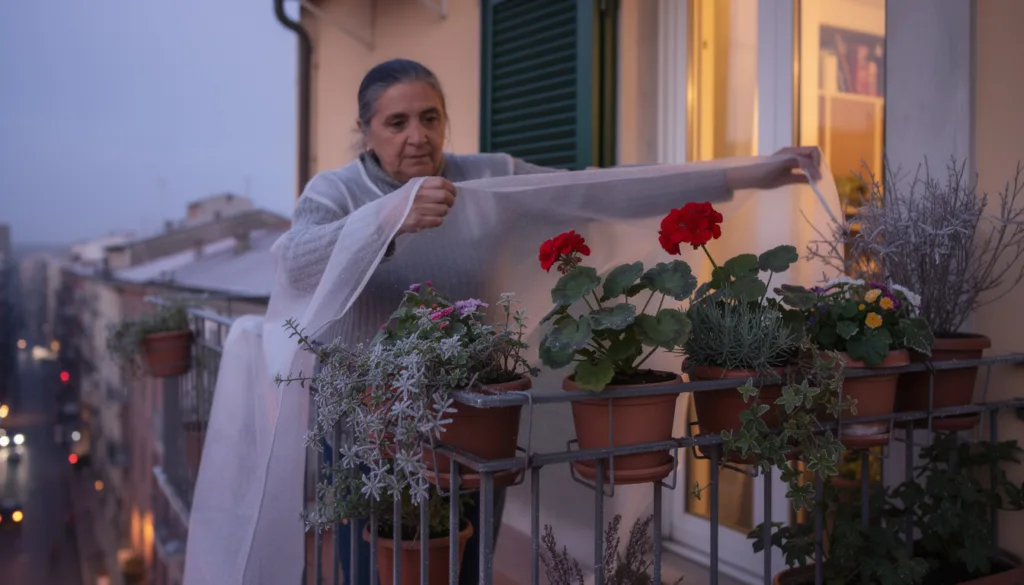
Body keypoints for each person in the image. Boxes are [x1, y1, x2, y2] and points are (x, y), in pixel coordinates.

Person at [280, 58, 823, 585]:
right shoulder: (338, 192)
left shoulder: (487, 177)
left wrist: (755, 172)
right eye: (396, 122)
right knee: (372, 567)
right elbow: (294, 262)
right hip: (369, 424)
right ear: (365, 130)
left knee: (467, 565)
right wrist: (386, 221)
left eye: (430, 117)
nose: (417, 136)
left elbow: (595, 189)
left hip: (472, 411)